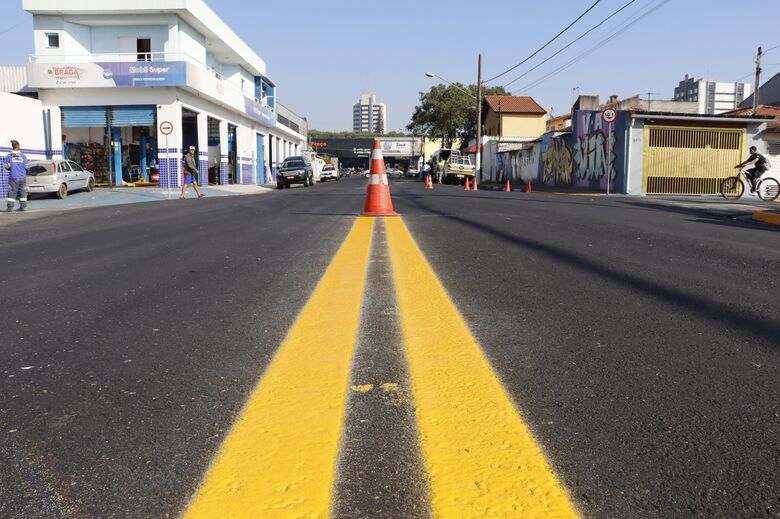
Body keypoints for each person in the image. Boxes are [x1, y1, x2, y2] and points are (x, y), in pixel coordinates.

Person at [4, 140, 29, 212]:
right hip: (22, 177)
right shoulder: (23, 156)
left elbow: (6, 166)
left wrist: (10, 168)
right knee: (22, 192)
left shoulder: (9, 156)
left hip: (13, 177)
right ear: (19, 146)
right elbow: (26, 167)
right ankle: (23, 207)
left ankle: (10, 207)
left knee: (12, 192)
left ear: (12, 146)